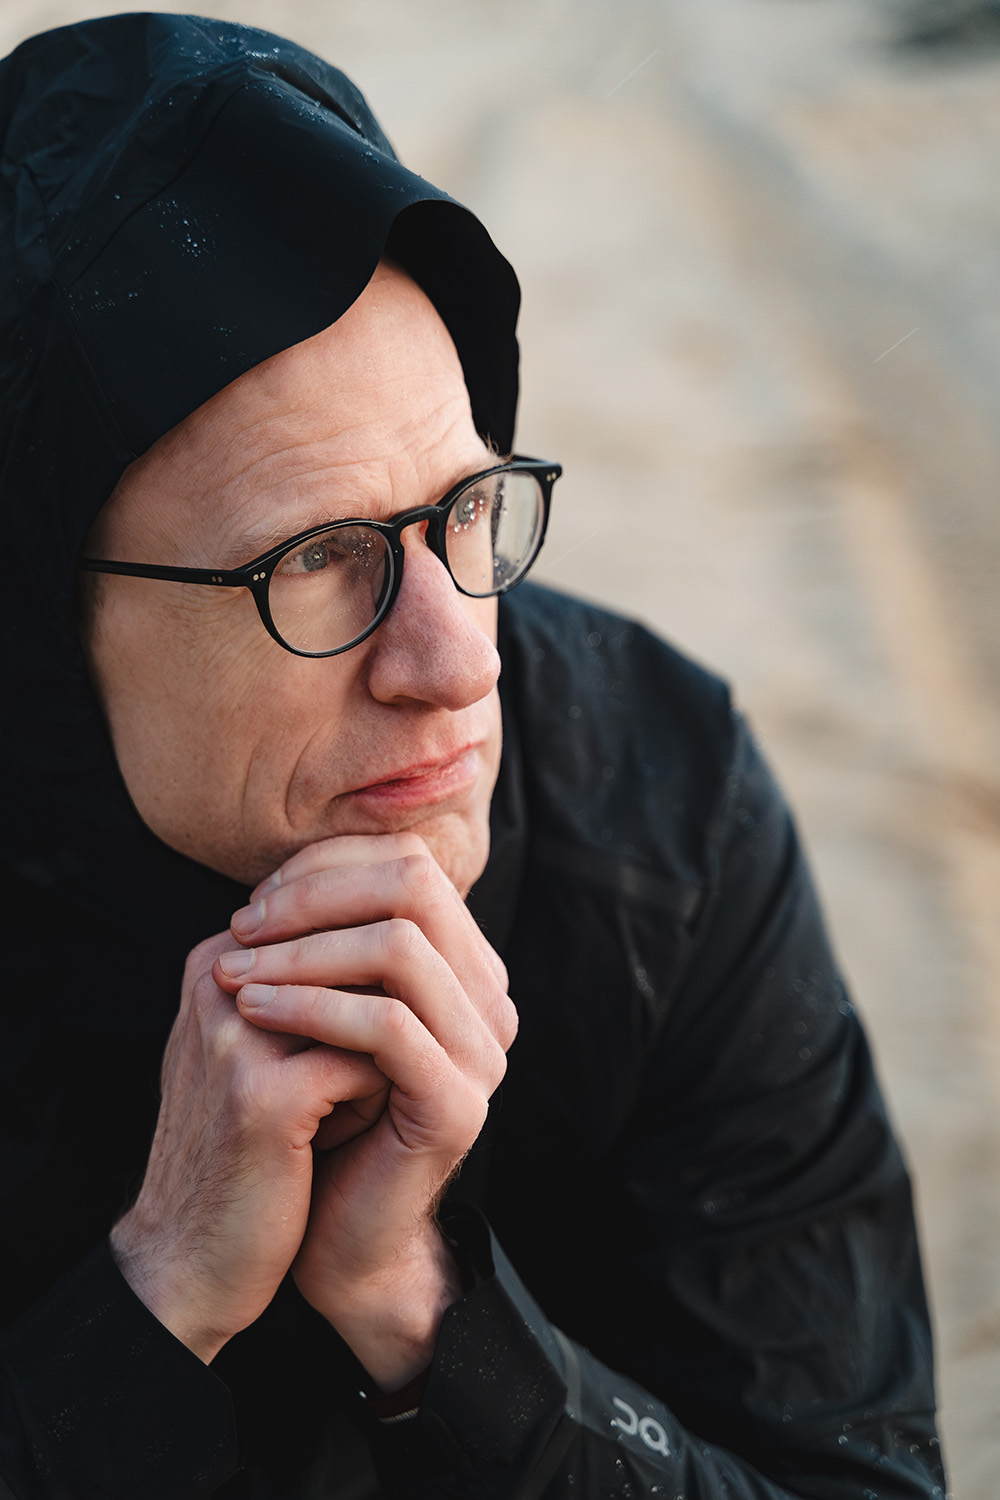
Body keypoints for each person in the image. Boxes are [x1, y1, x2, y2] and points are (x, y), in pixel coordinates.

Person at [0, 13, 946, 1500]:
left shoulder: (659, 802)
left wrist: (428, 1313)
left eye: (465, 512)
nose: (456, 661)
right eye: (312, 558)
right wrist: (157, 1294)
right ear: (43, 625)